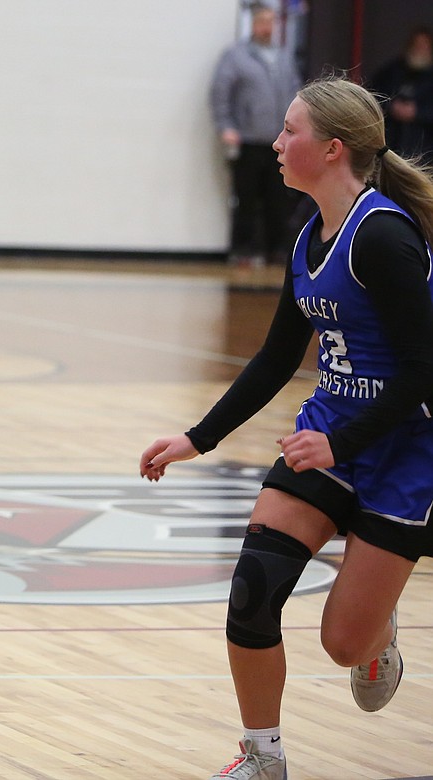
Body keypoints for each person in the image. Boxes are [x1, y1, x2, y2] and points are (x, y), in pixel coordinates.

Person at [141, 76, 433, 779]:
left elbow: (424, 373)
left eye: (289, 130)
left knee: (341, 644)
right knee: (252, 591)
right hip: (329, 432)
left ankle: (374, 631)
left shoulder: (383, 238)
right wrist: (198, 438)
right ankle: (262, 759)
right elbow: (277, 356)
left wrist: (340, 441)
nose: (276, 143)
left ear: (332, 150)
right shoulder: (311, 236)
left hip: (405, 450)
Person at [209, 3, 302, 267]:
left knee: (279, 198)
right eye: (262, 21)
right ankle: (243, 250)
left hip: (279, 142)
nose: (267, 27)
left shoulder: (284, 57)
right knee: (246, 198)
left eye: (272, 21)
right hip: (247, 140)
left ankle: (278, 250)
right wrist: (225, 126)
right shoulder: (236, 56)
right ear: (253, 23)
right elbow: (220, 94)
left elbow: (296, 94)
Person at [368, 26, 433, 163]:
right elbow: (371, 97)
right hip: (390, 148)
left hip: (425, 152)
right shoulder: (391, 72)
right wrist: (391, 107)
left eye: (424, 46)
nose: (419, 49)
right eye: (416, 45)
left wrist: (418, 113)